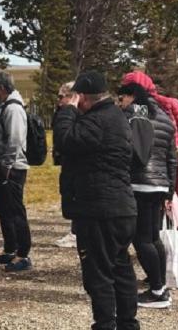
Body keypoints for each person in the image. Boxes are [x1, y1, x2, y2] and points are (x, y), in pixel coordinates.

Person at [53, 71, 139, 330]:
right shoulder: (116, 117)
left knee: (98, 273)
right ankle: (127, 323)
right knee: (120, 268)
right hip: (120, 206)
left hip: (100, 209)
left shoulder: (97, 120)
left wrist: (67, 111)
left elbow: (64, 141)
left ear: (84, 98)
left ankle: (105, 324)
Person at [121, 70, 178, 289]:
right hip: (159, 176)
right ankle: (161, 271)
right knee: (153, 230)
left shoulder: (169, 105)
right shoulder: (138, 111)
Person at [117, 82, 177, 309]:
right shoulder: (163, 116)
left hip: (139, 183)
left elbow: (128, 150)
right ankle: (159, 284)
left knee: (141, 239)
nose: (120, 103)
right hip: (160, 185)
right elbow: (172, 158)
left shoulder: (134, 115)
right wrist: (170, 189)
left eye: (121, 98)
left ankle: (157, 292)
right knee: (153, 237)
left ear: (132, 96)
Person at [0, 70, 32, 271]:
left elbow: (16, 139)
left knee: (15, 211)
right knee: (3, 211)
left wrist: (7, 165)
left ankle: (23, 255)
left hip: (10, 169)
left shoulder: (13, 109)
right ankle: (10, 249)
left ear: (1, 88)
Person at [53, 81, 78, 248]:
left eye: (62, 96)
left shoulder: (75, 114)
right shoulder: (63, 113)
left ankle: (76, 233)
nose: (59, 100)